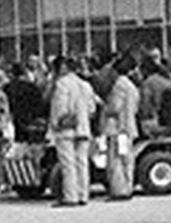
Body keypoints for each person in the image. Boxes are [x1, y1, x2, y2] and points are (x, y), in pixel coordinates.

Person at [48, 54, 98, 206]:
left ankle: (70, 196)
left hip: (66, 130)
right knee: (82, 163)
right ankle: (83, 195)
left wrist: (55, 123)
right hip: (83, 128)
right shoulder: (86, 85)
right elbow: (92, 109)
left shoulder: (62, 84)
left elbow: (59, 107)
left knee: (68, 164)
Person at [101, 53, 140, 200]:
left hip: (117, 128)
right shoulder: (132, 86)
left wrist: (104, 107)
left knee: (116, 160)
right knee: (127, 159)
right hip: (129, 127)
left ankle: (119, 190)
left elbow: (114, 107)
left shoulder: (118, 86)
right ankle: (127, 187)